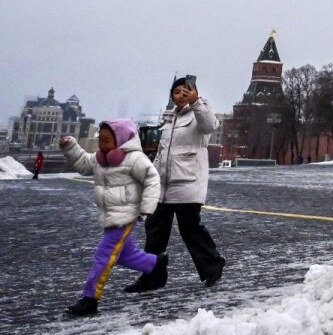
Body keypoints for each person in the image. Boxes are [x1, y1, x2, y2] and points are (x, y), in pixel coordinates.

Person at [125, 75, 225, 293]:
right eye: (177, 92)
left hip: (187, 183)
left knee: (190, 229)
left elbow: (209, 126)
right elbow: (162, 153)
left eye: (185, 91)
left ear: (194, 92)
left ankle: (212, 265)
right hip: (164, 185)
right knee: (155, 230)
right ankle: (152, 276)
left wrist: (197, 102)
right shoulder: (170, 118)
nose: (181, 95)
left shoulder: (201, 111)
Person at [60, 120, 169, 316]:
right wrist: (70, 146)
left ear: (119, 140)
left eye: (107, 140)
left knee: (104, 254)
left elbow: (152, 178)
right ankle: (155, 264)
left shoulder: (134, 158)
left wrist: (147, 207)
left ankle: (90, 299)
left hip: (125, 216)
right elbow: (83, 164)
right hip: (110, 216)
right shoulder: (100, 158)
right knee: (124, 254)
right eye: (100, 140)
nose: (102, 144)